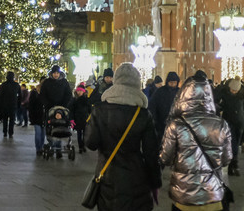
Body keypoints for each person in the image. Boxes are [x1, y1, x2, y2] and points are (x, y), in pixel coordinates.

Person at [85, 63, 161, 211]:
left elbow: (91, 143)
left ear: (116, 80)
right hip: (136, 178)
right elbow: (151, 153)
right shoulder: (143, 114)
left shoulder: (100, 110)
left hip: (107, 177)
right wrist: (155, 183)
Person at [160, 75, 234, 210]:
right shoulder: (221, 124)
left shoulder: (176, 125)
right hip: (213, 194)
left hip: (184, 195)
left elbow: (166, 159)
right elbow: (226, 159)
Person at [215, 78, 244, 176]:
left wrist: (239, 84)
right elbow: (216, 98)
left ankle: (232, 164)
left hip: (239, 122)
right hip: (228, 121)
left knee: (236, 142)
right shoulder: (225, 93)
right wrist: (224, 86)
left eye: (236, 90)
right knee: (232, 142)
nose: (234, 92)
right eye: (232, 89)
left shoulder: (241, 94)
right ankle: (234, 163)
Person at [40, 64, 72, 156]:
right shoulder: (47, 82)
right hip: (50, 108)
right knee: (50, 127)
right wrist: (47, 104)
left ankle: (58, 148)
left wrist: (64, 105)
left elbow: (68, 94)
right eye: (54, 73)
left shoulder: (64, 82)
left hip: (62, 108)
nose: (56, 75)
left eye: (57, 73)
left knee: (61, 126)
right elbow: (43, 95)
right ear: (52, 73)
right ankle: (51, 144)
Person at [148, 72, 182, 142]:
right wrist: (155, 122)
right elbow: (152, 106)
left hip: (177, 127)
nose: (172, 84)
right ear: (167, 82)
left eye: (174, 82)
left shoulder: (180, 92)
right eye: (171, 82)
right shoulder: (160, 92)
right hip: (161, 126)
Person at [0, 71, 21, 138]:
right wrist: (18, 104)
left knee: (5, 119)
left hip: (5, 105)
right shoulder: (16, 85)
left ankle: (5, 132)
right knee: (12, 120)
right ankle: (11, 133)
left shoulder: (3, 85)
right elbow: (20, 96)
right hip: (13, 104)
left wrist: (0, 104)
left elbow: (0, 95)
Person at [72, 83, 92, 154]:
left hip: (85, 119)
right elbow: (72, 109)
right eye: (78, 91)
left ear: (83, 91)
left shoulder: (87, 100)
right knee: (79, 134)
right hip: (78, 119)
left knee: (85, 134)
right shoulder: (74, 100)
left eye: (81, 91)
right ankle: (81, 147)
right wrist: (72, 119)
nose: (79, 92)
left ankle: (83, 146)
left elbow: (90, 109)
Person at [29, 79, 46, 156]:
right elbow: (31, 106)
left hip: (44, 117)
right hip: (37, 116)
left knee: (42, 134)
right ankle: (38, 148)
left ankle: (40, 147)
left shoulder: (47, 93)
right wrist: (31, 117)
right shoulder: (35, 93)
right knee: (39, 133)